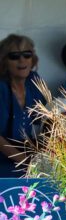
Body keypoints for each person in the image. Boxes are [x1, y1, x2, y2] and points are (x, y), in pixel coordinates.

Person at [0, 34, 45, 177]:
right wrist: (27, 163)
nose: (22, 60)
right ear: (4, 61)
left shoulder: (34, 81)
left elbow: (46, 120)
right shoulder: (1, 87)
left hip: (26, 155)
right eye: (14, 56)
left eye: (27, 54)